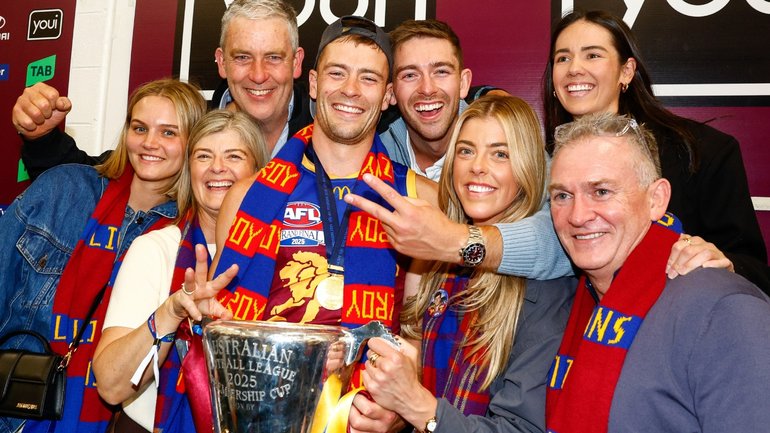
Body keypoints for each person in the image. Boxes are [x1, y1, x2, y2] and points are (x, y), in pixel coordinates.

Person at [203, 15, 435, 432]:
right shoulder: (246, 197)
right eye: (337, 73)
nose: (350, 90)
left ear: (387, 96)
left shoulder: (420, 201)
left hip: (359, 420)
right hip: (262, 417)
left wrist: (398, 415)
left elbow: (418, 340)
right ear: (312, 83)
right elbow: (223, 336)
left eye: (368, 78)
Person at [0, 79, 207, 433]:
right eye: (139, 128)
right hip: (11, 413)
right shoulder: (63, 188)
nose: (150, 142)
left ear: (193, 144)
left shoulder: (187, 242)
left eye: (169, 132)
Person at [361, 95, 575, 433]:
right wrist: (395, 412)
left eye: (500, 154)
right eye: (465, 151)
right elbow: (427, 396)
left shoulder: (545, 287)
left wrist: (415, 406)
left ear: (527, 169)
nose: (477, 166)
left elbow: (521, 429)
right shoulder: (440, 264)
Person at [544, 112, 770, 432]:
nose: (578, 216)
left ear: (656, 199)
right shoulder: (573, 303)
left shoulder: (723, 310)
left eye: (601, 191)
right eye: (562, 196)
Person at [543, 10, 770, 292]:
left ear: (626, 71)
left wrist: (720, 262)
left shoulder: (701, 152)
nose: (574, 68)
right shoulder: (545, 161)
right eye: (563, 58)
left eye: (592, 55)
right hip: (578, 314)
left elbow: (755, 270)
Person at [91, 110, 267, 433]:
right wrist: (171, 313)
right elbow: (111, 386)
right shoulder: (155, 250)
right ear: (190, 170)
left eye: (234, 156)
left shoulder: (279, 259)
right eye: (204, 156)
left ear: (259, 173)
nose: (217, 167)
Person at [13, 0, 308, 182]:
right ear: (221, 62)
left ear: (296, 63)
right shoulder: (188, 128)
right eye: (242, 57)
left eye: (273, 57)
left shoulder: (325, 133)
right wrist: (43, 139)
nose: (258, 74)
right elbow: (95, 180)